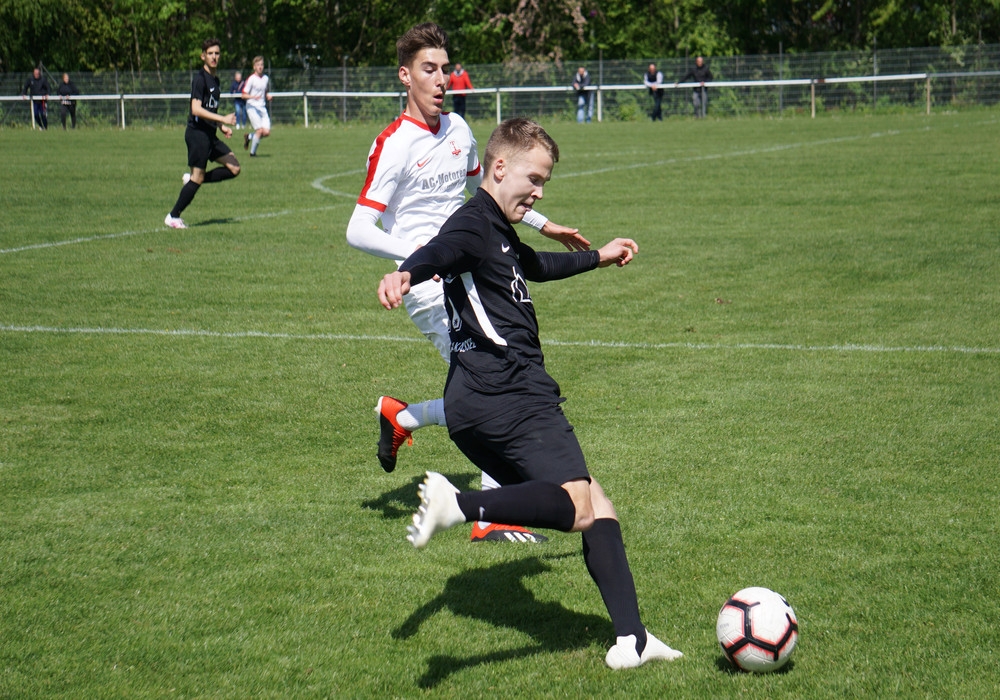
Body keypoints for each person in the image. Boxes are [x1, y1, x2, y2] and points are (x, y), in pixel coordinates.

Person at [377, 117, 684, 670]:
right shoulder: (473, 225)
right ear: (500, 168)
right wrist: (406, 272)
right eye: (535, 179)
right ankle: (458, 505)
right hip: (512, 393)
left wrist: (599, 255)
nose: (540, 193)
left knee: (598, 505)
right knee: (579, 507)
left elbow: (534, 266)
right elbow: (439, 250)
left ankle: (632, 640)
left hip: (474, 403)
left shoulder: (498, 229)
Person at [346, 22, 589, 544]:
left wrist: (544, 224)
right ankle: (489, 516)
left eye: (444, 69)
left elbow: (491, 191)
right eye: (428, 70)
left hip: (475, 268)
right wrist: (420, 259)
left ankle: (403, 417)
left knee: (484, 383)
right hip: (430, 283)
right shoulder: (393, 144)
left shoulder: (458, 129)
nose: (441, 80)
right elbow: (358, 228)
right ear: (405, 76)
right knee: (493, 379)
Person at [164, 38, 241, 230]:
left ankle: (192, 180)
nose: (214, 57)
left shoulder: (215, 80)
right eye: (210, 53)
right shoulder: (200, 79)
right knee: (197, 178)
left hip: (209, 134)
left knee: (234, 168)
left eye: (217, 53)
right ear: (203, 56)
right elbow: (196, 109)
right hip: (197, 135)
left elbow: (209, 109)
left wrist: (220, 126)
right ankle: (173, 216)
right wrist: (223, 119)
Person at [241, 57, 272, 156]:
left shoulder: (266, 78)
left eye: (262, 65)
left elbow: (265, 91)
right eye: (258, 65)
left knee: (266, 132)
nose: (260, 67)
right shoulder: (251, 79)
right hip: (252, 107)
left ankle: (249, 137)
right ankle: (252, 154)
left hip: (262, 107)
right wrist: (253, 97)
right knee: (259, 130)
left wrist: (267, 95)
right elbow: (243, 95)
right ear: (254, 67)